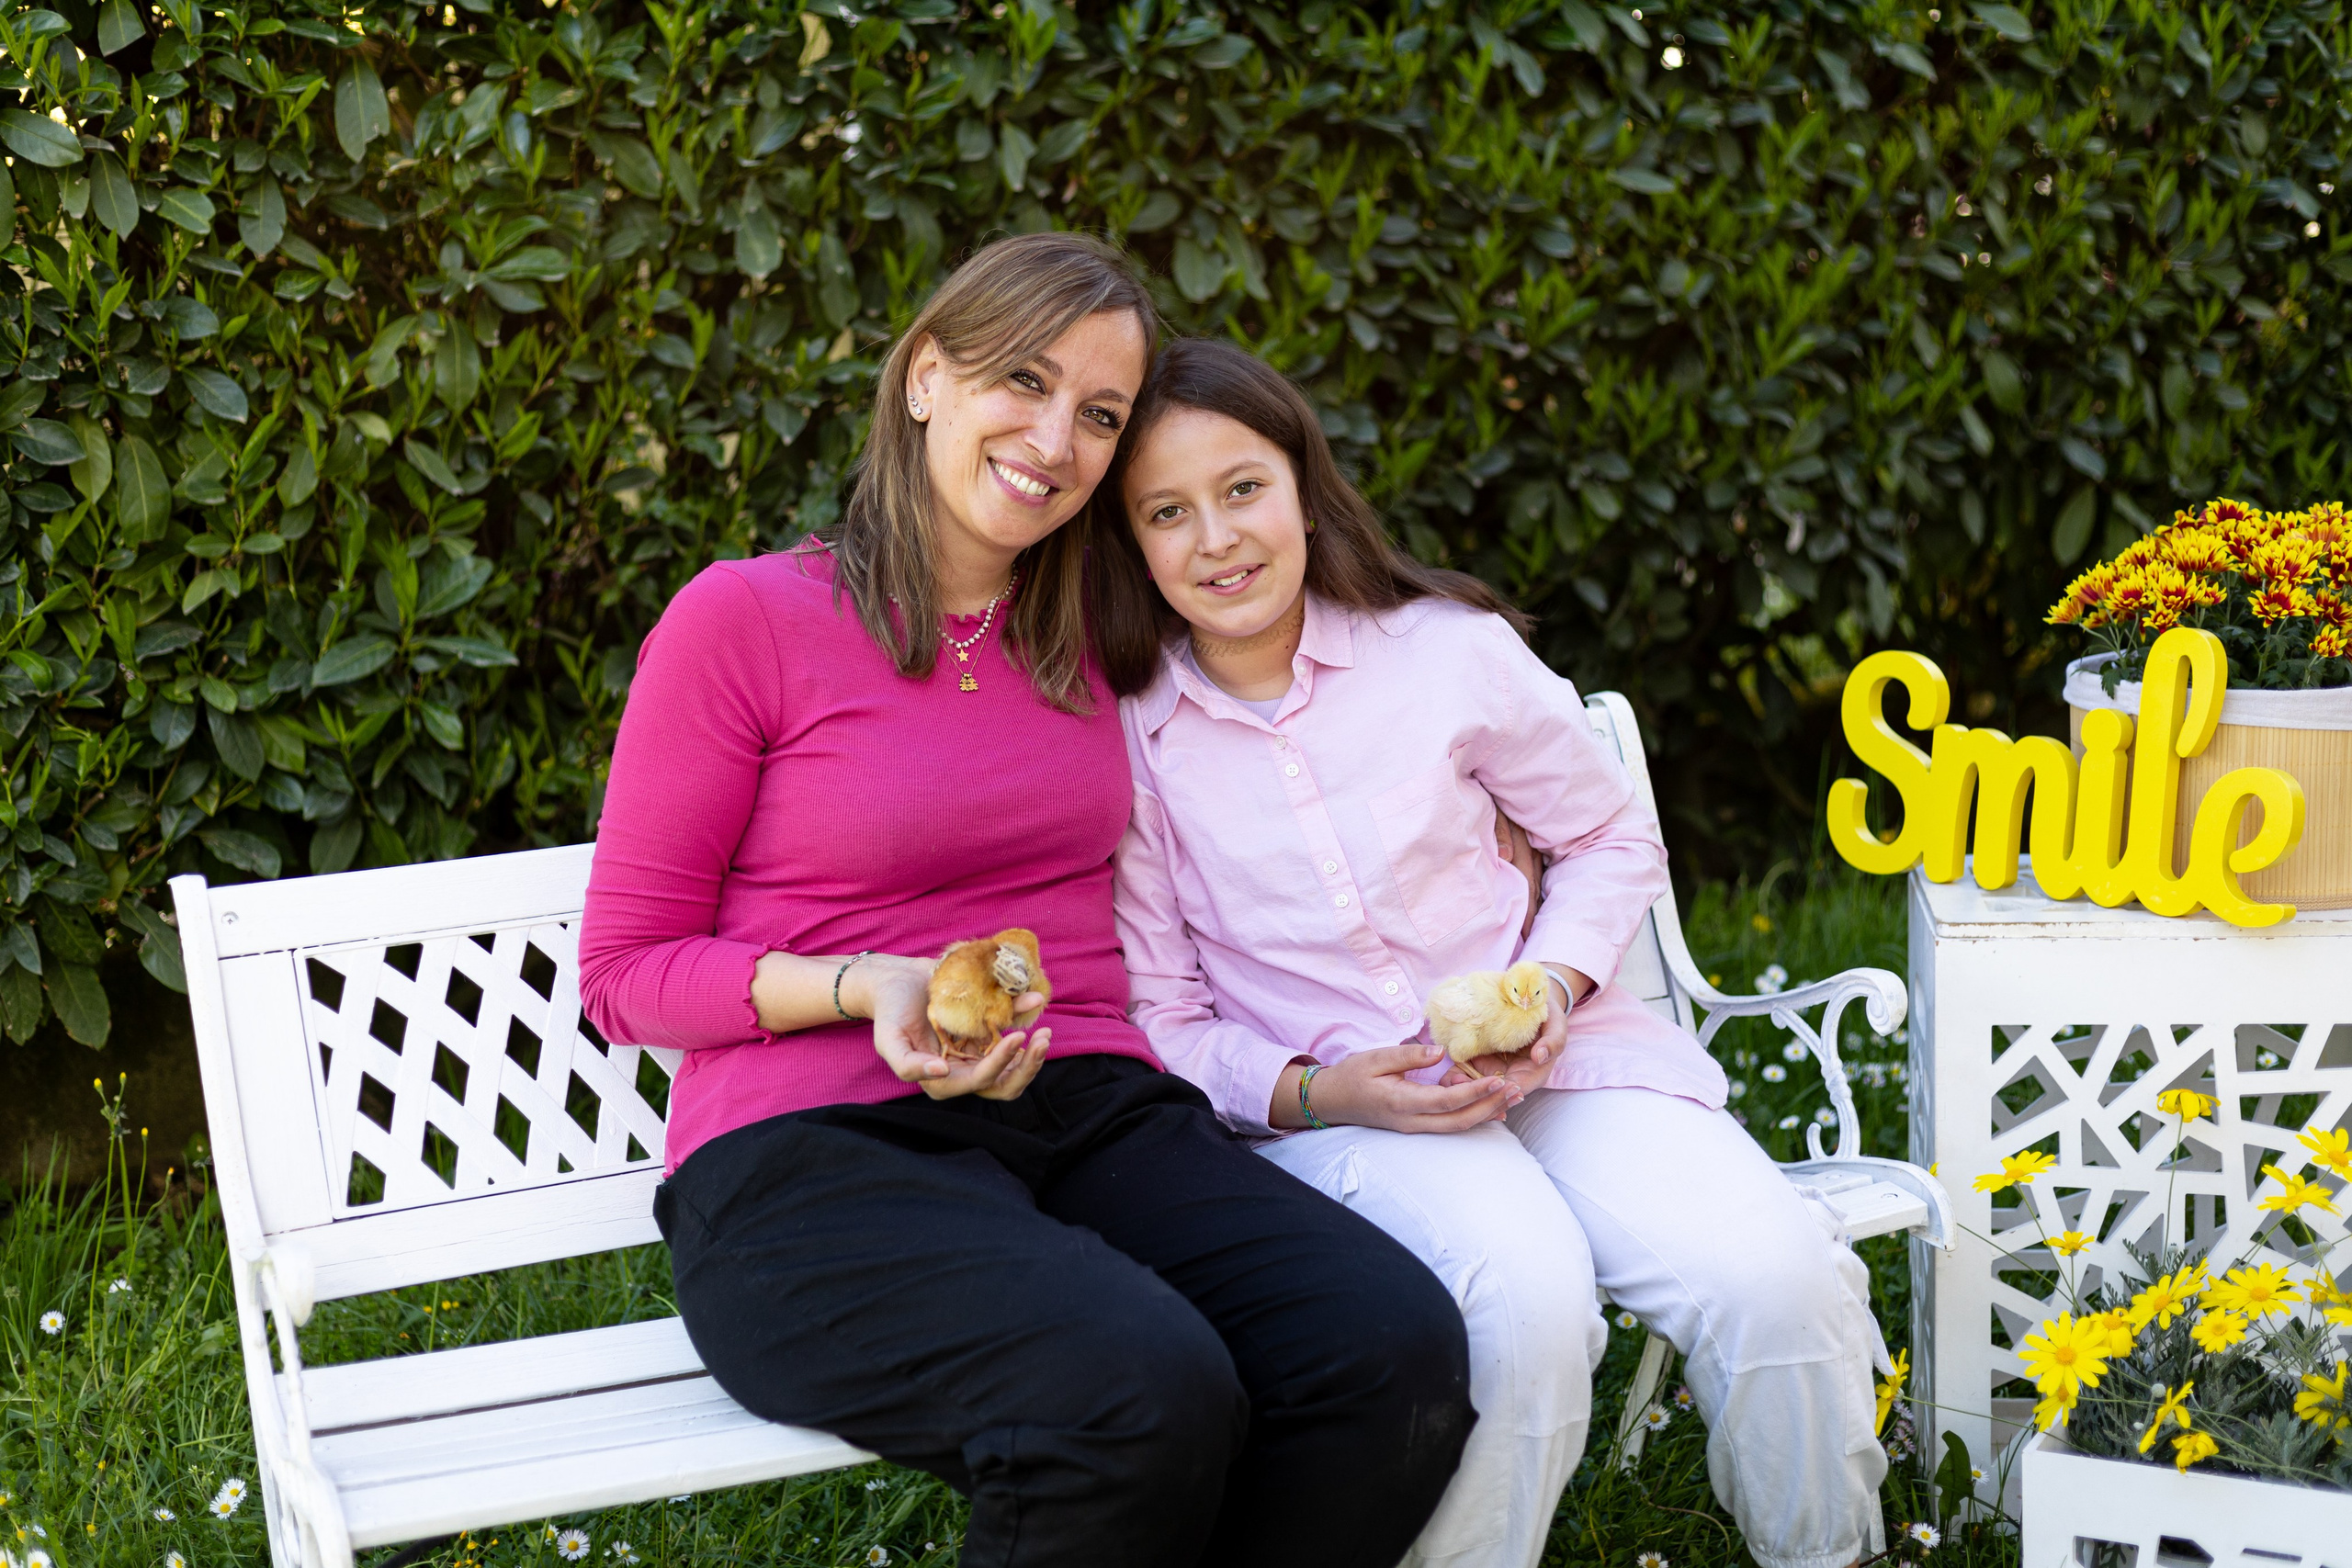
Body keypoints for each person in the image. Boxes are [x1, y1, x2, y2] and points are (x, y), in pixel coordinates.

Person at [576, 234, 1476, 1568]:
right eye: (1024, 381)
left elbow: (1304, 700)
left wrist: (1491, 805)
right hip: (813, 1153)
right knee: (1134, 1394)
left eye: (1101, 415)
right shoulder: (747, 619)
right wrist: (866, 983)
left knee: (1385, 1351)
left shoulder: (1103, 638)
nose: (1057, 439)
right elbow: (626, 973)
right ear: (927, 377)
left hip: (1098, 1113)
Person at [1100, 337, 1891, 1568]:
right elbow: (1161, 1014)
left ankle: (1826, 1555)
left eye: (1242, 487)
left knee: (1774, 1272)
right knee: (1518, 1306)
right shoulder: (1133, 740)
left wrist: (1556, 985)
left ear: (1302, 484)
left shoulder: (1444, 651)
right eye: (1167, 511)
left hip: (1564, 1064)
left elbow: (1606, 836)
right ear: (1132, 543)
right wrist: (1317, 1092)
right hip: (1350, 1115)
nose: (1217, 538)